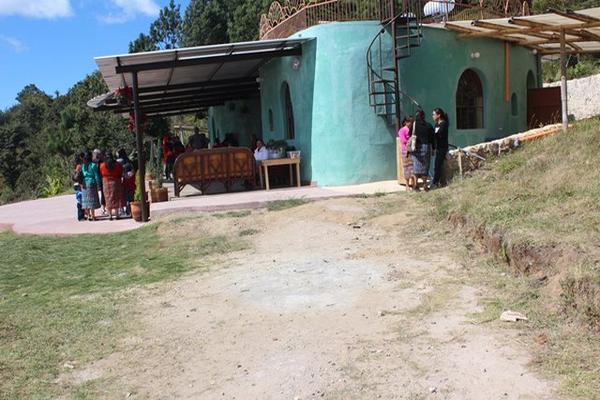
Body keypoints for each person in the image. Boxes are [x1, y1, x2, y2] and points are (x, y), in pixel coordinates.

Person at [411, 110, 435, 191]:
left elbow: (409, 134)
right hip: (426, 147)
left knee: (416, 167)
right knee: (425, 167)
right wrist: (434, 149)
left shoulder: (414, 125)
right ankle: (425, 185)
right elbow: (432, 139)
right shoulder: (428, 126)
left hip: (416, 147)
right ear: (423, 116)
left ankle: (415, 185)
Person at [100, 152, 124, 221]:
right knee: (116, 198)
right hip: (116, 181)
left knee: (108, 199)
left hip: (106, 182)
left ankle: (110, 215)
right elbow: (120, 172)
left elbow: (101, 173)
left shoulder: (102, 165)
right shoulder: (117, 165)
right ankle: (116, 214)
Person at [431, 108, 449, 188]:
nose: (433, 116)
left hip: (442, 147)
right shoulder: (436, 125)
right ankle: (438, 182)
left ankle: (435, 183)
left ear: (439, 115)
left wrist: (434, 135)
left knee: (437, 165)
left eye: (434, 114)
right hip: (438, 147)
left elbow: (440, 135)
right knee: (437, 165)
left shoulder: (444, 124)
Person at [80, 151, 101, 221]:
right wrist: (98, 184)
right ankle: (93, 216)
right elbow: (96, 175)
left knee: (86, 200)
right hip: (92, 183)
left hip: (84, 183)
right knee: (92, 200)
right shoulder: (93, 165)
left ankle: (88, 215)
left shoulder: (83, 166)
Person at [398, 116, 415, 190]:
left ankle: (414, 183)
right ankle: (407, 185)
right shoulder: (402, 130)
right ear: (406, 122)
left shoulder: (412, 130)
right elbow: (403, 140)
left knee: (413, 167)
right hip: (405, 151)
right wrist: (411, 139)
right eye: (409, 122)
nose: (410, 124)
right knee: (407, 167)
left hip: (412, 150)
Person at [117, 149, 135, 216]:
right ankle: (130, 211)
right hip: (131, 183)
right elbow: (133, 171)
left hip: (125, 183)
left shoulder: (120, 162)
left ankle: (128, 211)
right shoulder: (129, 162)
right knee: (131, 197)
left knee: (126, 198)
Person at [92, 149, 107, 215]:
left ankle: (103, 208)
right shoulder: (102, 161)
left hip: (99, 179)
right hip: (101, 178)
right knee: (103, 194)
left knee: (102, 194)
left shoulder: (93, 162)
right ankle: (104, 208)